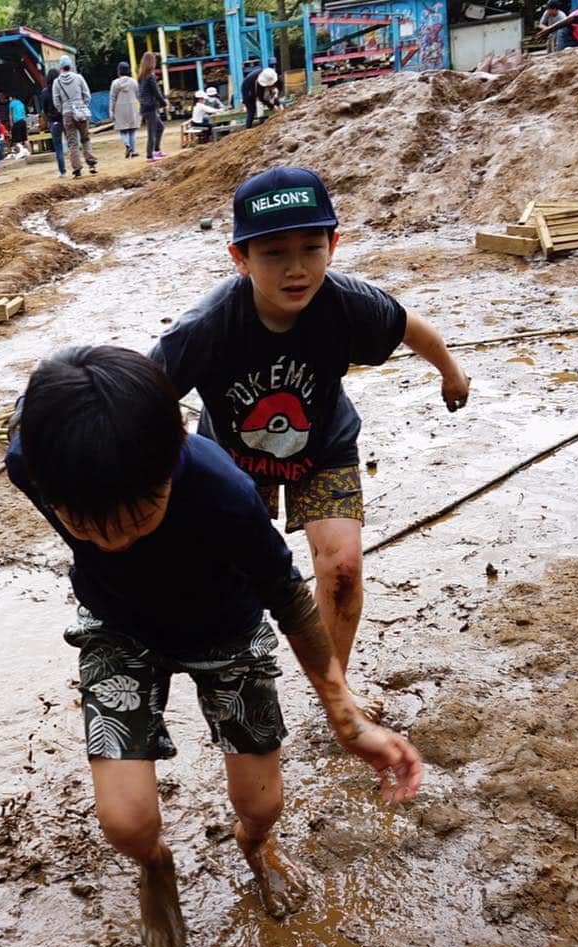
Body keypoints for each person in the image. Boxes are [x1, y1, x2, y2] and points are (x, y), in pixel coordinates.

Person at [6, 345, 423, 947]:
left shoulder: (222, 489)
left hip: (225, 627)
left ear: (171, 464)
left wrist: (345, 714)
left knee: (261, 801)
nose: (115, 539)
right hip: (118, 626)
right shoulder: (33, 464)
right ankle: (155, 864)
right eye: (91, 526)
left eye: (138, 517)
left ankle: (256, 845)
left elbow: (288, 595)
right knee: (125, 822)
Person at [151, 167, 471, 719]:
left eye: (311, 248)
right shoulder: (205, 327)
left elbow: (409, 326)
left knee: (342, 567)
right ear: (240, 257)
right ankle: (239, 681)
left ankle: (335, 693)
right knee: (232, 582)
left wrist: (451, 373)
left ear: (333, 246)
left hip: (324, 447)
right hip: (232, 460)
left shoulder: (348, 303)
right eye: (274, 253)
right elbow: (144, 398)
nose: (296, 268)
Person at [52, 56, 97, 179]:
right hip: (81, 112)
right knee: (85, 138)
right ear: (70, 66)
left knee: (72, 143)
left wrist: (63, 110)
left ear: (60, 67)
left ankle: (77, 169)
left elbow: (56, 100)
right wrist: (83, 105)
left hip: (67, 114)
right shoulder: (79, 78)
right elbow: (87, 94)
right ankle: (91, 164)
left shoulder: (57, 82)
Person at [137, 51, 167, 162]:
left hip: (145, 106)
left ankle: (157, 150)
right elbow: (156, 92)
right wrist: (164, 103)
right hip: (150, 107)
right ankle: (149, 155)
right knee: (152, 131)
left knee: (160, 127)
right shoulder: (150, 76)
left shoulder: (141, 76)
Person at [109, 61, 140, 160]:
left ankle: (127, 145)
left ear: (119, 71)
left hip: (119, 109)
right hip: (132, 108)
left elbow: (112, 98)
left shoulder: (115, 83)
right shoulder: (134, 82)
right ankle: (133, 151)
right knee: (132, 130)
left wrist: (111, 111)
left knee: (123, 131)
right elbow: (138, 95)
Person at [41, 70, 67, 178]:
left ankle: (63, 172)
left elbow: (44, 108)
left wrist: (49, 118)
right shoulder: (61, 89)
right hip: (64, 118)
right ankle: (77, 167)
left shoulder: (45, 92)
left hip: (53, 121)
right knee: (72, 143)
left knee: (58, 147)